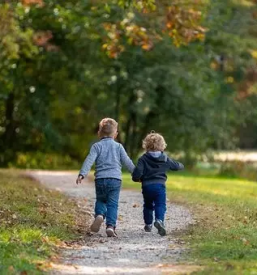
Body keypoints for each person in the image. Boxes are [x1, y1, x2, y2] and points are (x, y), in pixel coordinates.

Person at [76, 118, 135, 237]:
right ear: (116, 134)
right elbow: (127, 161)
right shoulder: (119, 147)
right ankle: (110, 226)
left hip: (100, 179)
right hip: (115, 180)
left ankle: (99, 215)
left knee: (101, 200)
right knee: (112, 204)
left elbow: (89, 160)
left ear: (99, 133)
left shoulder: (96, 146)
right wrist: (136, 173)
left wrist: (82, 174)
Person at [132, 132, 184, 236]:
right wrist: (181, 165)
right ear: (162, 146)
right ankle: (159, 220)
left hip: (147, 186)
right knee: (160, 204)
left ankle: (148, 224)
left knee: (148, 205)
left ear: (146, 145)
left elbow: (137, 174)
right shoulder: (165, 159)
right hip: (160, 186)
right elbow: (176, 166)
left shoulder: (143, 159)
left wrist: (137, 179)